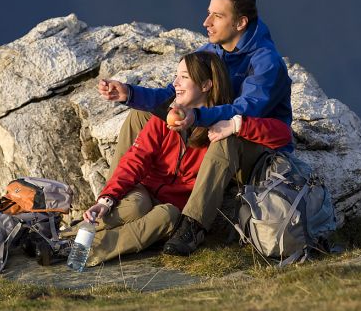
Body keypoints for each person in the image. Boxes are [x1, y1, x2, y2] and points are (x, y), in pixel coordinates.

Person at [97, 0, 293, 256]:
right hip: (214, 122)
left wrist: (196, 116)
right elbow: (173, 93)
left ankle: (193, 225)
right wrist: (129, 93)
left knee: (228, 136)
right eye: (208, 12)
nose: (206, 22)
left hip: (257, 145)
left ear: (240, 23)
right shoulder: (213, 51)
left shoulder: (265, 62)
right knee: (139, 115)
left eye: (217, 16)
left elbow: (248, 111)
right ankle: (117, 197)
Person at [64, 51, 291, 266]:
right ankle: (66, 238)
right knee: (134, 205)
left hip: (174, 209)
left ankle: (85, 250)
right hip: (145, 193)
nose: (175, 83)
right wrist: (106, 199)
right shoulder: (167, 116)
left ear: (206, 85)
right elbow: (136, 159)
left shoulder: (222, 123)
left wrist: (236, 125)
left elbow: (282, 135)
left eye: (183, 77)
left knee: (168, 215)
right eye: (176, 76)